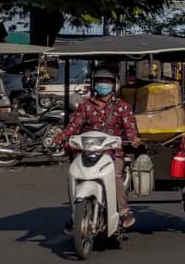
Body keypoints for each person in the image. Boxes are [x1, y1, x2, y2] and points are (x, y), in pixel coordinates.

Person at [56, 68, 142, 230]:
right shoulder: (85, 106)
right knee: (74, 174)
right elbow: (74, 126)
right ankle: (75, 213)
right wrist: (63, 135)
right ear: (95, 85)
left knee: (116, 175)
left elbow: (130, 129)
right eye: (100, 81)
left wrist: (134, 139)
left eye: (107, 81)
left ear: (114, 85)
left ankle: (123, 211)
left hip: (112, 152)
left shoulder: (122, 106)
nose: (103, 84)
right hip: (87, 150)